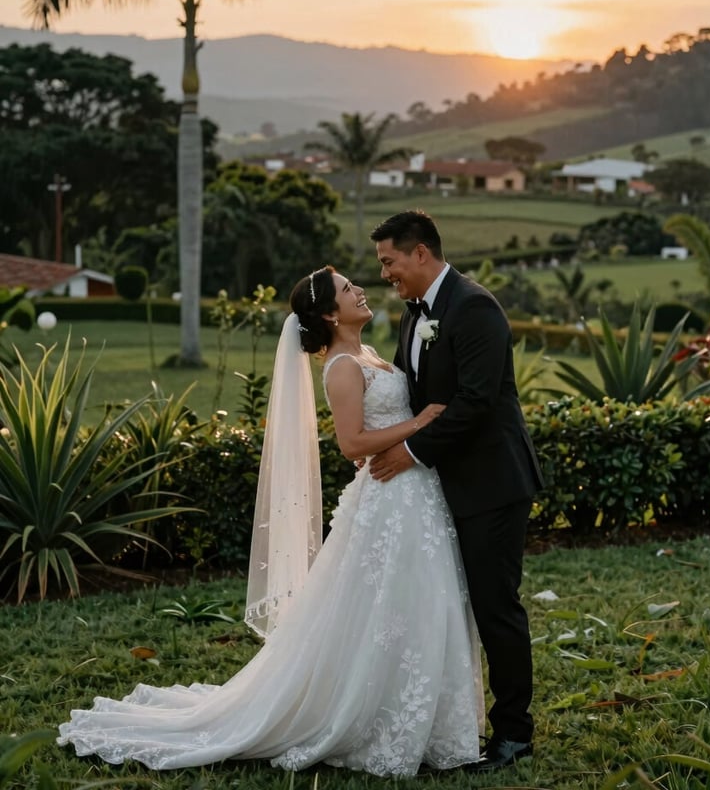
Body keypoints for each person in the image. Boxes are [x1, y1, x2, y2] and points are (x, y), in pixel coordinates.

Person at [57, 266, 483, 777]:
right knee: (388, 607)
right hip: (389, 498)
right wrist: (420, 422)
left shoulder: (369, 355)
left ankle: (425, 721)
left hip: (411, 495)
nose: (360, 291)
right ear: (329, 313)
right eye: (348, 290)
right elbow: (350, 445)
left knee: (415, 603)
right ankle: (376, 721)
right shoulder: (343, 366)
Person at [369, 210, 544, 772]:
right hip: (445, 488)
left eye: (389, 261)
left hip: (492, 485)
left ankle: (514, 734)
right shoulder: (413, 313)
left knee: (496, 609)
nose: (385, 274)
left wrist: (411, 452)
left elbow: (477, 402)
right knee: (452, 608)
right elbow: (410, 393)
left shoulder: (474, 308)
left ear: (420, 253)